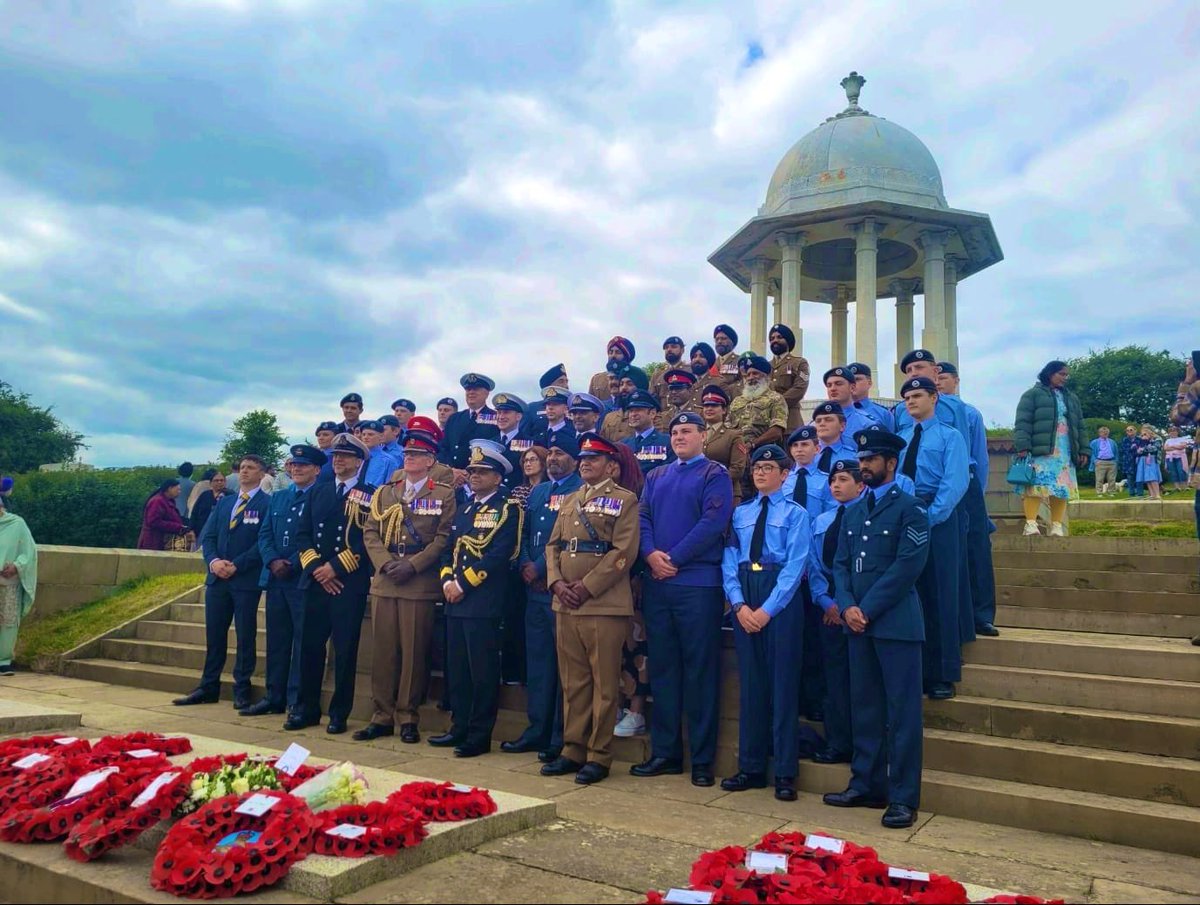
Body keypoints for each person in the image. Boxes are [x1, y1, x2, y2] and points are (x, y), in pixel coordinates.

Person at [823, 429, 929, 831]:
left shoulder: (910, 509)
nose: (864, 465)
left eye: (872, 459)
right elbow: (841, 565)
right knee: (864, 707)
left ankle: (902, 797)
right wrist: (847, 605)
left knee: (901, 713)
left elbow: (908, 567)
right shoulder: (853, 510)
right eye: (862, 459)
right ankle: (866, 783)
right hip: (857, 625)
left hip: (896, 624)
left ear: (891, 463)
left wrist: (864, 608)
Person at [632, 411, 734, 787]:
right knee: (663, 670)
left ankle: (703, 760)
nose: (679, 437)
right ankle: (666, 753)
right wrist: (650, 554)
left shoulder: (714, 474)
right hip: (659, 584)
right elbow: (642, 518)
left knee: (700, 672)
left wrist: (673, 558)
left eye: (687, 431)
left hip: (697, 585)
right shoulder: (656, 475)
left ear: (703, 436)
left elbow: (713, 524)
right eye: (674, 431)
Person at [540, 432, 640, 785]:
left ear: (611, 466)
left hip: (603, 604)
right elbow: (552, 546)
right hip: (566, 603)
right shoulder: (568, 499)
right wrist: (556, 583)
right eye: (582, 459)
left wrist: (586, 587)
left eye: (593, 459)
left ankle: (599, 755)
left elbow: (623, 552)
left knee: (604, 684)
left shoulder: (625, 500)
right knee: (573, 682)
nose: (585, 464)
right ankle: (573, 749)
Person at [720, 444, 810, 802]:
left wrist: (767, 610)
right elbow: (729, 560)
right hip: (746, 590)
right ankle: (751, 766)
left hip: (779, 596)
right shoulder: (740, 513)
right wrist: (739, 605)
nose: (760, 473)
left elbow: (796, 565)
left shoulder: (796, 514)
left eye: (769, 467)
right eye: (757, 468)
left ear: (784, 474)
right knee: (751, 685)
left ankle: (785, 771)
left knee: (783, 686)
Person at [358, 420, 456, 744]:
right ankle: (381, 715)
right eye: (408, 452)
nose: (410, 458)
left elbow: (443, 538)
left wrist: (412, 566)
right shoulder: (387, 492)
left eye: (418, 454)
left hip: (419, 579)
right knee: (383, 651)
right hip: (387, 578)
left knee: (415, 652)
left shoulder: (442, 494)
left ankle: (408, 716)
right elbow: (370, 531)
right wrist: (385, 564)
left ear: (430, 460)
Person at [431, 439, 522, 757]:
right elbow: (448, 551)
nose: (474, 475)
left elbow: (499, 555)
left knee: (481, 672)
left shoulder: (506, 509)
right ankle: (459, 727)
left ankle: (479, 735)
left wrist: (463, 585)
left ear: (498, 477)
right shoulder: (466, 507)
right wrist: (446, 582)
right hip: (454, 601)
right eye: (472, 471)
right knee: (457, 670)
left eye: (482, 472)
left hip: (482, 601)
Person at [288, 434, 377, 734]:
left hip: (347, 584)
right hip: (315, 583)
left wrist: (335, 568)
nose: (338, 461)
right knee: (310, 649)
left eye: (346, 456)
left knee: (345, 651)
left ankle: (340, 712)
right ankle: (306, 709)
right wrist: (316, 569)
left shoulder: (371, 495)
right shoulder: (318, 492)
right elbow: (303, 535)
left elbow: (369, 540)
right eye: (336, 456)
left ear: (359, 461)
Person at [504, 434, 582, 761]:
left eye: (560, 453)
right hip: (532, 592)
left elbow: (567, 539)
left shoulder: (578, 491)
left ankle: (560, 736)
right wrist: (524, 562)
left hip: (559, 589)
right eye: (549, 452)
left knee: (566, 669)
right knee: (538, 666)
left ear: (575, 460)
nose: (552, 458)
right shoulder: (538, 491)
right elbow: (523, 531)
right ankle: (536, 729)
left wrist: (539, 569)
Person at [175, 454, 270, 709]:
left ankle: (242, 687)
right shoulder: (226, 502)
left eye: (251, 468)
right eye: (242, 468)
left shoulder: (267, 503)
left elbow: (263, 542)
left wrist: (237, 565)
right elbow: (209, 536)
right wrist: (214, 561)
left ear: (262, 474)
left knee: (245, 635)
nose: (244, 472)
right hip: (217, 578)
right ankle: (208, 685)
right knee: (215, 634)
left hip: (245, 580)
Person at [897, 377, 969, 700]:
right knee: (912, 595)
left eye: (917, 396)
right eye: (907, 397)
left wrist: (928, 516)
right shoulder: (900, 439)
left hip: (937, 518)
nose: (911, 402)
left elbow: (954, 483)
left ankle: (942, 673)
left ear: (934, 397)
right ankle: (916, 670)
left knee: (940, 593)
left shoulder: (950, 437)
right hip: (906, 517)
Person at [245, 444, 326, 717]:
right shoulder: (278, 497)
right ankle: (273, 695)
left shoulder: (321, 496)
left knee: (303, 644)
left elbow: (316, 538)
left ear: (316, 469)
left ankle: (297, 700)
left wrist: (292, 561)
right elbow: (264, 533)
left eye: (303, 465)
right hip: (276, 579)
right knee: (277, 641)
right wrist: (272, 560)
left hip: (302, 579)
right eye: (293, 465)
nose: (297, 469)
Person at [806, 459, 864, 765]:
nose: (836, 486)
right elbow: (814, 565)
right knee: (834, 679)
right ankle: (838, 741)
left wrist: (845, 604)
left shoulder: (869, 517)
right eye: (833, 481)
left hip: (860, 606)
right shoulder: (822, 520)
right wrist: (827, 602)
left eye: (843, 479)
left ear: (861, 484)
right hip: (829, 607)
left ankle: (865, 745)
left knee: (862, 680)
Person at [935, 361, 998, 638]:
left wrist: (977, 494)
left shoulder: (968, 413)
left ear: (956, 380)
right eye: (934, 376)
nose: (938, 381)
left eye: (944, 376)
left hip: (966, 482)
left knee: (976, 548)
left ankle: (982, 615)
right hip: (933, 483)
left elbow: (979, 458)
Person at [1013, 361, 1087, 537]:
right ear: (1050, 373)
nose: (1065, 378)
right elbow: (1023, 422)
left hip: (1065, 449)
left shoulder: (1072, 398)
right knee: (1035, 486)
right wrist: (1023, 446)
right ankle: (1030, 523)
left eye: (1066, 375)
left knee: (1061, 488)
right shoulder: (1032, 395)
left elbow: (1080, 426)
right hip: (1040, 449)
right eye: (1061, 374)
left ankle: (1056, 525)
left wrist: (1084, 449)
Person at [0, 489, 37, 677]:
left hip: (8, 581)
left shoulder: (17, 523)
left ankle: (3, 660)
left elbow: (29, 551)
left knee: (7, 621)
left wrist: (16, 566)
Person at [439, 373, 501, 480]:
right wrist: (451, 470)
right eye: (468, 389)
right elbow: (443, 448)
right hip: (452, 476)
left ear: (486, 393)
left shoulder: (496, 418)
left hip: (479, 476)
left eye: (476, 389)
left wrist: (469, 472)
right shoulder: (455, 418)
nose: (471, 392)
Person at [729, 354, 789, 454]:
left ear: (766, 376)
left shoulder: (776, 398)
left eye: (755, 373)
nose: (751, 378)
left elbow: (777, 431)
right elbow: (727, 427)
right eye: (748, 375)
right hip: (736, 452)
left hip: (764, 452)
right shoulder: (737, 401)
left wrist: (752, 444)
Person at [699, 384, 748, 507]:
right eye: (706, 405)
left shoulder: (734, 435)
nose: (709, 409)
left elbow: (737, 469)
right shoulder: (696, 434)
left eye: (714, 405)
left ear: (724, 410)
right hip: (698, 492)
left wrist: (710, 479)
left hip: (726, 492)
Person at [783, 426, 835, 519]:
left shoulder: (826, 481)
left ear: (817, 449)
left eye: (804, 444)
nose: (799, 449)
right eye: (795, 445)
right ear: (791, 451)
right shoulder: (783, 479)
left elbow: (830, 513)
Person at [622, 390, 675, 475]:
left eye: (638, 410)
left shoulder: (667, 442)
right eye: (631, 411)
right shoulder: (623, 444)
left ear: (652, 413)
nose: (633, 414)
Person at [768, 324, 810, 430]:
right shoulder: (765, 366)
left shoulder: (799, 363)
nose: (775, 340)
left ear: (788, 340)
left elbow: (799, 389)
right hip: (767, 424)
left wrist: (775, 405)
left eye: (779, 337)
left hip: (790, 422)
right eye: (772, 338)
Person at [492, 393, 536, 487]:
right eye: (499, 412)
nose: (501, 417)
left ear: (518, 417)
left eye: (506, 412)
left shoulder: (531, 443)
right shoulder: (490, 443)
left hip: (519, 495)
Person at [822, 366, 875, 443]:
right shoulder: (816, 425)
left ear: (852, 388)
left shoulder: (866, 424)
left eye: (838, 384)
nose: (832, 388)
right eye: (829, 385)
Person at [137, 479, 191, 551]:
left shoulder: (167, 501)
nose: (179, 492)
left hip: (161, 541)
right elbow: (154, 521)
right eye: (178, 490)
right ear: (170, 488)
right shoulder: (157, 501)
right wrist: (177, 527)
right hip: (153, 542)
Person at [599, 367, 647, 445]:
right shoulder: (609, 417)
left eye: (629, 384)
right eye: (621, 384)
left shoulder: (650, 416)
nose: (623, 388)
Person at [811, 401, 860, 470]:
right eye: (818, 421)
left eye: (828, 420)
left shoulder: (853, 457)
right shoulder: (808, 456)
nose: (822, 424)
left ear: (842, 426)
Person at [847, 363, 895, 431]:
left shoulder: (884, 414)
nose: (853, 384)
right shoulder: (837, 413)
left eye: (857, 379)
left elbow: (892, 440)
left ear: (869, 383)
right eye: (849, 381)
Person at [589, 336, 635, 401]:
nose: (613, 355)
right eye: (610, 352)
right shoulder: (597, 379)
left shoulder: (635, 377)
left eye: (618, 352)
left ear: (627, 357)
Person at [360, 419, 401, 487]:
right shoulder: (356, 458)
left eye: (370, 434)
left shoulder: (389, 461)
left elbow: (390, 487)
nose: (366, 437)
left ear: (381, 436)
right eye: (363, 434)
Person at [536, 386, 576, 450]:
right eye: (548, 404)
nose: (550, 408)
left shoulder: (572, 433)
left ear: (566, 409)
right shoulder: (539, 430)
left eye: (555, 404)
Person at [650, 336, 686, 403]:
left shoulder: (690, 371)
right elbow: (652, 401)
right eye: (666, 347)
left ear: (682, 350)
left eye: (673, 347)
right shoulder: (657, 375)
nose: (669, 349)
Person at [711, 324, 742, 399]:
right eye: (717, 339)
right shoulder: (711, 363)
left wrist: (728, 388)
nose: (719, 341)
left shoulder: (740, 361)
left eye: (723, 338)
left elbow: (744, 383)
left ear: (732, 342)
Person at [1134, 425, 1164, 500]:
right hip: (1143, 459)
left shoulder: (1157, 438)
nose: (1143, 434)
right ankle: (1152, 494)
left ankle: (1157, 494)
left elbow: (1155, 448)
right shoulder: (1142, 439)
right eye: (1142, 433)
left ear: (1150, 431)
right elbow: (1137, 448)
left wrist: (1143, 449)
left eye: (1145, 432)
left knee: (1152, 477)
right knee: (1147, 478)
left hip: (1152, 459)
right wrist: (1142, 443)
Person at [1090, 426, 1119, 496]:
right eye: (1103, 432)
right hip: (1100, 461)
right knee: (1099, 479)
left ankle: (1111, 492)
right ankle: (1099, 493)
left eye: (1106, 433)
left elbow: (1116, 452)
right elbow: (1092, 452)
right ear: (1099, 433)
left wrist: (1116, 461)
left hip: (1111, 462)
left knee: (1112, 479)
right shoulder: (1094, 442)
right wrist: (1095, 461)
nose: (1105, 434)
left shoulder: (1112, 442)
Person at [1164, 425, 1192, 493]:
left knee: (1181, 471)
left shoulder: (1182, 439)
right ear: (1169, 433)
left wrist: (1172, 446)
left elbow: (1182, 446)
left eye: (1174, 431)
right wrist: (1177, 446)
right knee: (1173, 473)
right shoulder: (1167, 440)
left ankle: (1185, 487)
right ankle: (1177, 487)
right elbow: (1165, 448)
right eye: (1171, 431)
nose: (1173, 432)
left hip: (1180, 457)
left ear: (1177, 432)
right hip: (1170, 458)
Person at [1118, 424, 1144, 497]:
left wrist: (1136, 450)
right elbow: (1123, 450)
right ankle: (1131, 493)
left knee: (1139, 477)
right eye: (1127, 430)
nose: (1129, 431)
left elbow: (1142, 449)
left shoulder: (1139, 439)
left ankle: (1140, 493)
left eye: (1131, 430)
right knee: (1130, 478)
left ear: (1135, 431)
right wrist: (1132, 448)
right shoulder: (1124, 439)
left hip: (1138, 461)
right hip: (1128, 461)